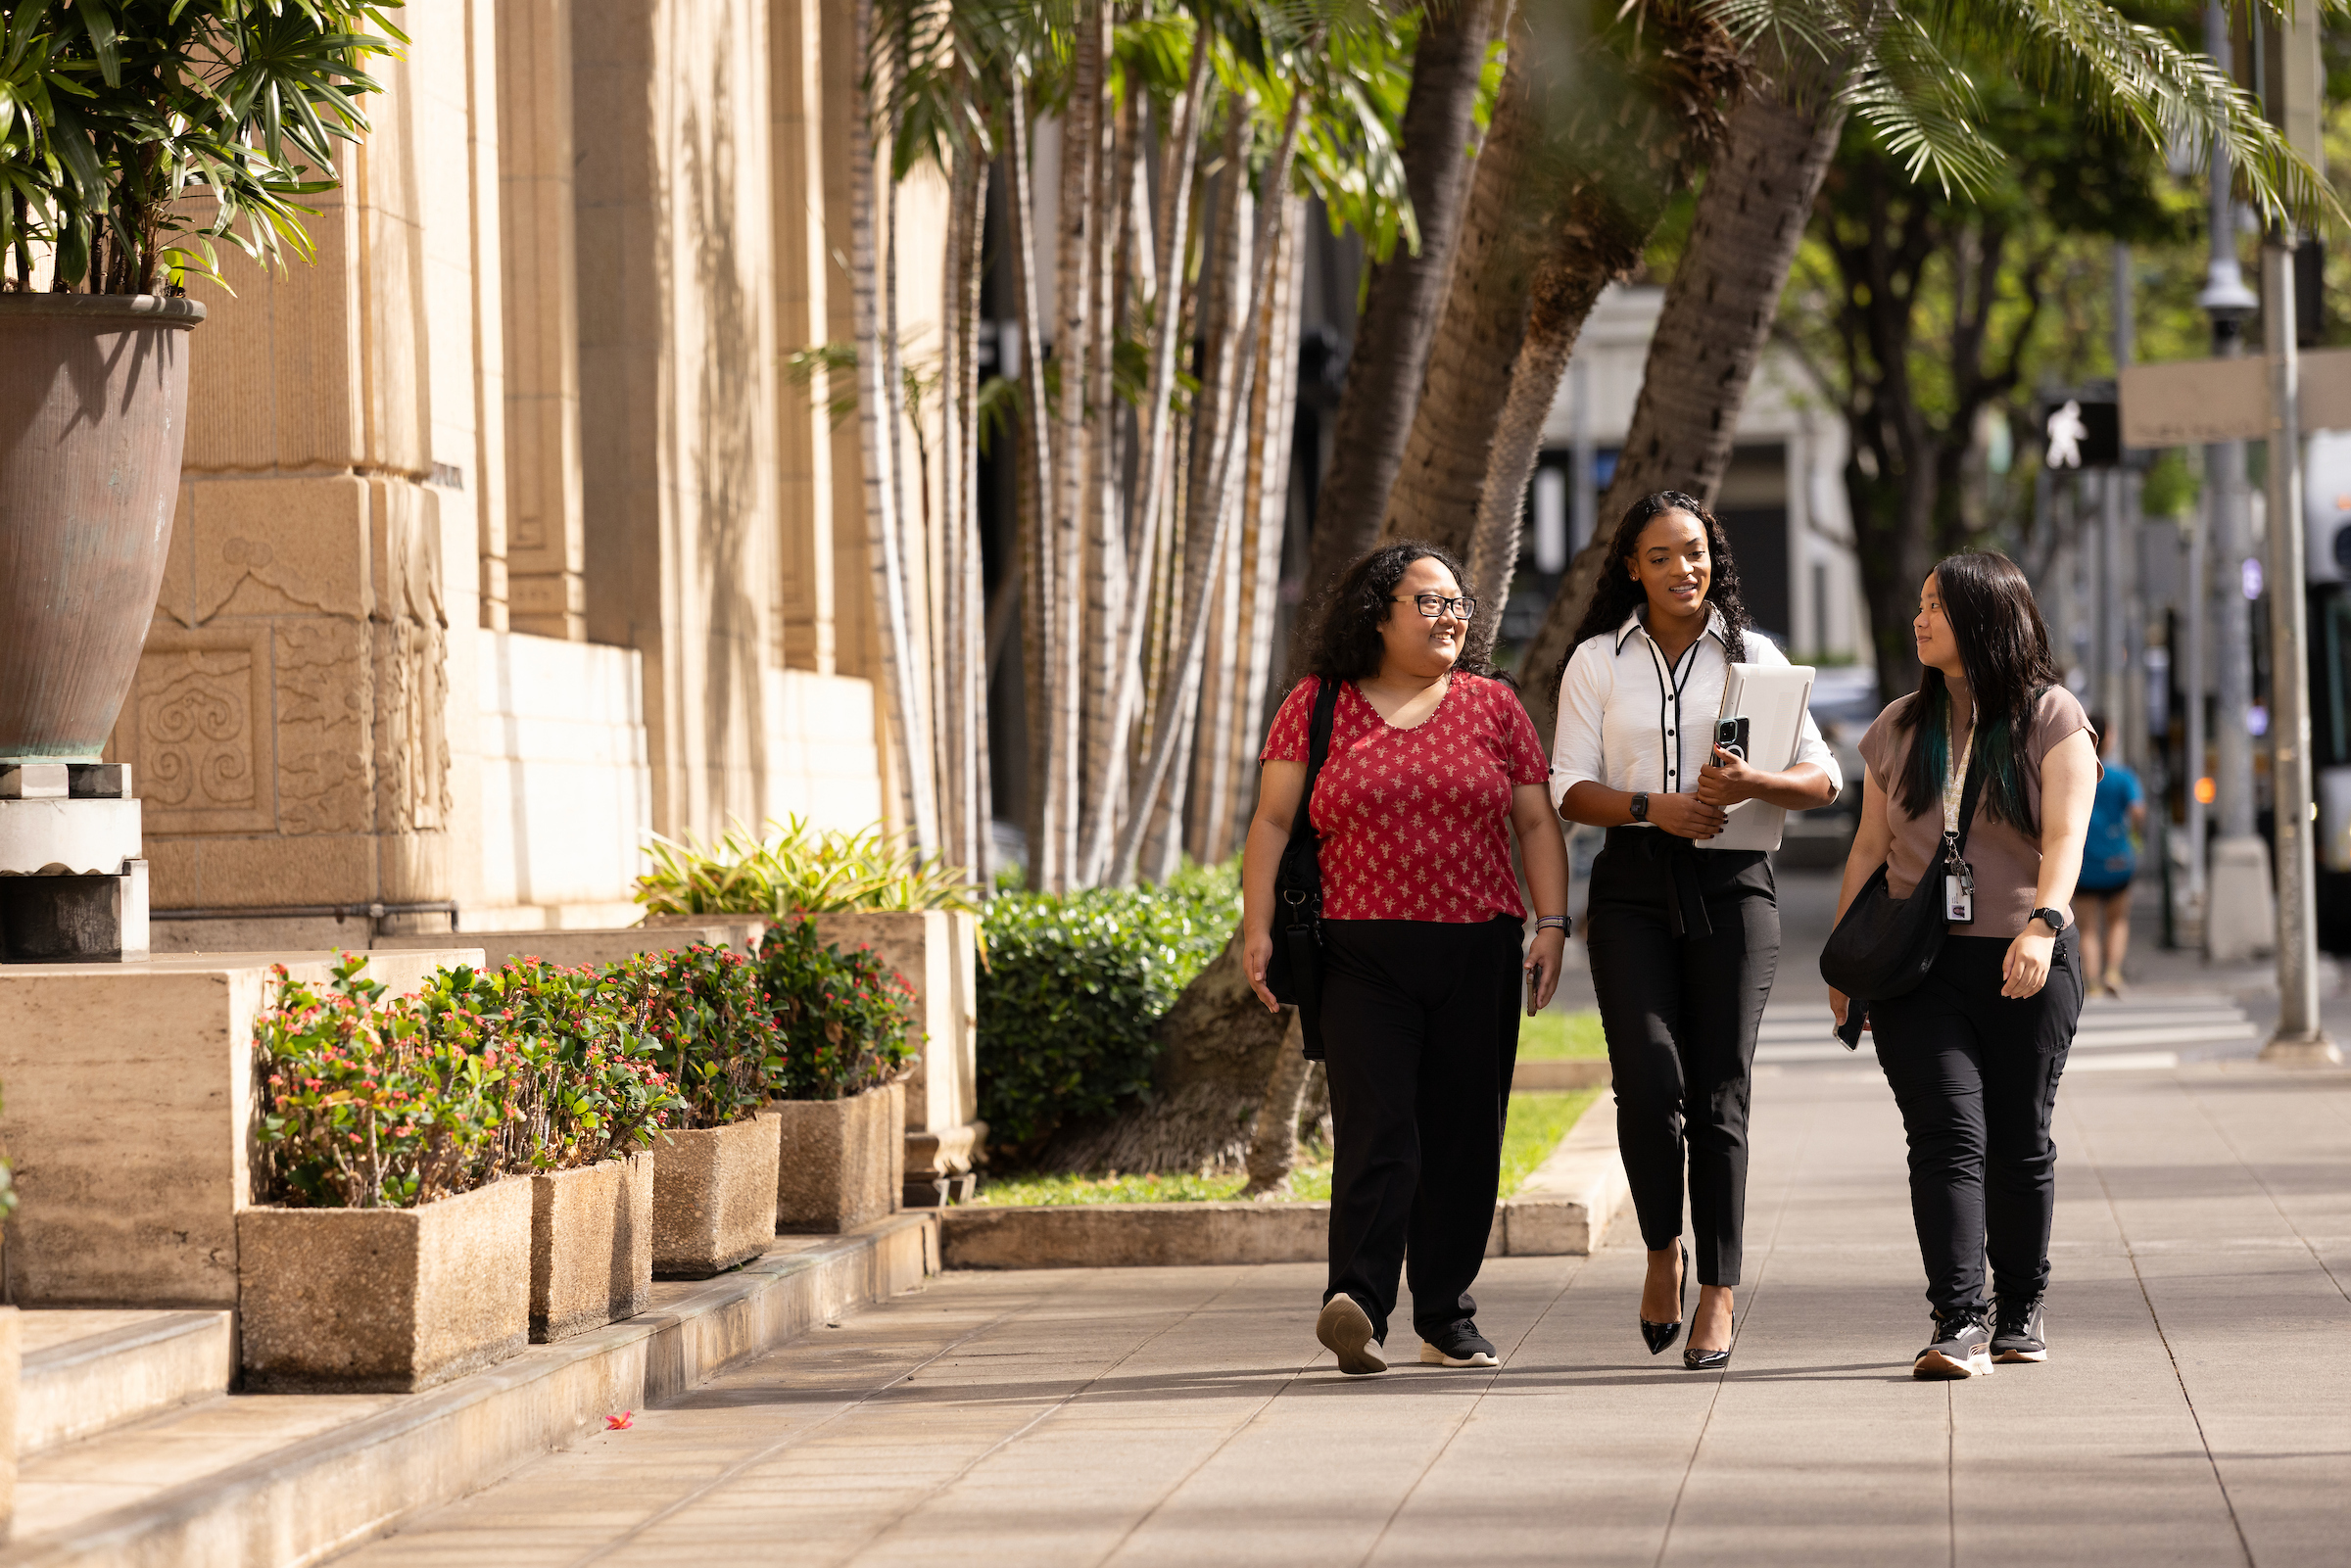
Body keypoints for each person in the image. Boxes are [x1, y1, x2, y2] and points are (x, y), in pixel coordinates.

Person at [1241, 541, 1569, 1376]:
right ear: (1376, 614)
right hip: (1359, 954)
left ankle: (1446, 1316)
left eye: (1458, 603)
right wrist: (1257, 926)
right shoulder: (1316, 704)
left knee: (1464, 1136)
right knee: (1377, 1129)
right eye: (1430, 602)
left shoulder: (1494, 706)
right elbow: (1274, 822)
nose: (1451, 615)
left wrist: (1553, 922)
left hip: (1478, 947)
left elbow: (1535, 823)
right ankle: (1356, 1300)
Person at [1551, 492, 1841, 1371]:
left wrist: (1755, 781)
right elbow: (1569, 786)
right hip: (1633, 885)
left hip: (1735, 884)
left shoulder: (1757, 656)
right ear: (1631, 567)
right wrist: (1654, 808)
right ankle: (1660, 1250)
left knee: (1720, 1090)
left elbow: (1824, 777)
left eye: (1698, 550)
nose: (1686, 568)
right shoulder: (1597, 661)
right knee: (1647, 1081)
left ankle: (1717, 1288)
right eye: (1664, 555)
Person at [1829, 551, 2097, 1380]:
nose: (1920, 618)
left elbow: (2064, 840)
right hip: (1920, 967)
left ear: (1987, 617)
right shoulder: (1900, 726)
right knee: (1946, 1136)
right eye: (1919, 603)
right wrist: (1844, 958)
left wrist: (2043, 926)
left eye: (1938, 605)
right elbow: (1870, 848)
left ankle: (2020, 1307)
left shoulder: (2053, 717)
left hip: (2027, 959)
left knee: (2020, 1142)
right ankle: (1958, 1319)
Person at [2076, 714, 2143, 997]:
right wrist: (2134, 835)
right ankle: (2112, 972)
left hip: (2084, 860)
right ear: (2110, 737)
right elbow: (2138, 812)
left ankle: (2092, 984)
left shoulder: (2076, 772)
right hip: (2117, 860)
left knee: (2087, 928)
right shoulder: (2122, 777)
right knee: (2117, 920)